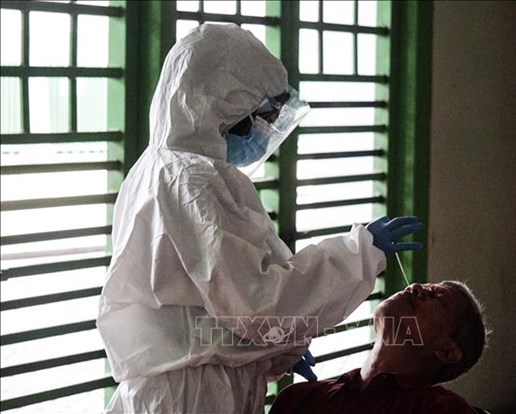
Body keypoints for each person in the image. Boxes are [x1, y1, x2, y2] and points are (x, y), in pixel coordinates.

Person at [96, 23, 424, 414]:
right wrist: (358, 253)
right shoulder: (194, 180)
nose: (262, 130)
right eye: (261, 114)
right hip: (196, 393)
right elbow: (256, 303)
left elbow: (204, 305)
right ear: (224, 104)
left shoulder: (157, 169)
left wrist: (270, 351)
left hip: (180, 383)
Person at [270, 281, 489, 414]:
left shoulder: (439, 408)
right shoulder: (300, 399)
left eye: (434, 295)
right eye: (424, 285)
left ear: (447, 351)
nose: (415, 288)